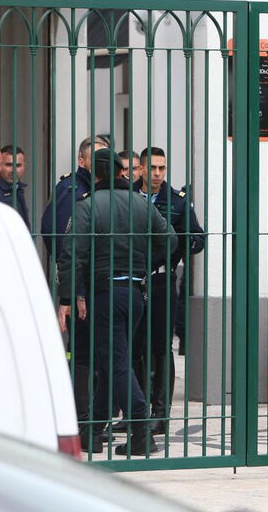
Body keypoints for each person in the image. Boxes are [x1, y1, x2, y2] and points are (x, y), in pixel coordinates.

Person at [57, 148, 176, 455]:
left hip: (104, 294)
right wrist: (146, 261)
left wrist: (68, 297)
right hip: (136, 292)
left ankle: (140, 428)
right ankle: (93, 431)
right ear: (122, 171)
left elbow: (73, 254)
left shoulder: (87, 206)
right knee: (114, 360)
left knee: (116, 362)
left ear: (95, 174)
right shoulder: (140, 203)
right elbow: (171, 239)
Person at [132, 147, 205, 435]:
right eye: (153, 168)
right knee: (135, 347)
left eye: (162, 168)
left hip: (161, 281)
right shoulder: (127, 197)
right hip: (132, 280)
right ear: (140, 168)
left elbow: (197, 239)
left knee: (162, 346)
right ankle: (136, 409)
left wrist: (178, 243)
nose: (158, 174)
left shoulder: (176, 202)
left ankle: (160, 413)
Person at [42, 134, 110, 439]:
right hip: (84, 286)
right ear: (82, 160)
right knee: (82, 355)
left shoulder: (100, 189)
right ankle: (82, 423)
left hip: (103, 284)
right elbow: (65, 245)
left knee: (97, 354)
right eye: (96, 157)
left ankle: (95, 421)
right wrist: (76, 291)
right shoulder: (72, 190)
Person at [0, 145, 31, 230]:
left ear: (24, 166)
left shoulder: (18, 189)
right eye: (8, 165)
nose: (13, 170)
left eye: (18, 165)